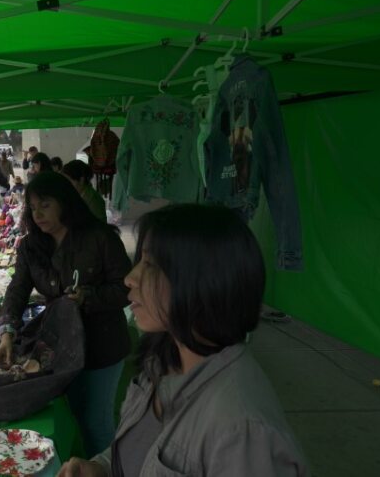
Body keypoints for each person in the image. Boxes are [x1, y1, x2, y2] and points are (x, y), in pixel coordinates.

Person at [59, 204, 308, 477]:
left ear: (203, 282)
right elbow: (138, 451)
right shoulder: (161, 360)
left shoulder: (243, 432)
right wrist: (101, 468)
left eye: (150, 265)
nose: (130, 278)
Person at [0, 171, 131, 457]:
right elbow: (17, 292)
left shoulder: (99, 238)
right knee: (72, 413)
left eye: (45, 205)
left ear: (64, 203)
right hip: (62, 347)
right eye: (32, 207)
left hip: (102, 345)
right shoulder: (32, 246)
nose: (38, 213)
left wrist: (88, 297)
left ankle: (106, 469)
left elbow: (126, 289)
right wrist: (7, 333)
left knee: (96, 421)